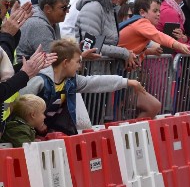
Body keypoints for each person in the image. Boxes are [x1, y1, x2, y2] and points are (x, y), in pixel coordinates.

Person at [19, 39, 148, 135]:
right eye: (78, 62)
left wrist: (127, 82)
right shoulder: (40, 81)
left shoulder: (70, 81)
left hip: (50, 132)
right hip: (28, 134)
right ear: (65, 63)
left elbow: (95, 82)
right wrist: (35, 125)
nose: (80, 66)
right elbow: (20, 105)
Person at [118, 0, 190, 58]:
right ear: (142, 13)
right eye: (155, 11)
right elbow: (158, 35)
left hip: (119, 58)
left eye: (159, 11)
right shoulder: (141, 22)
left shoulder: (136, 23)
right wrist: (177, 44)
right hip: (116, 60)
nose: (159, 14)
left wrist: (150, 51)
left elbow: (132, 47)